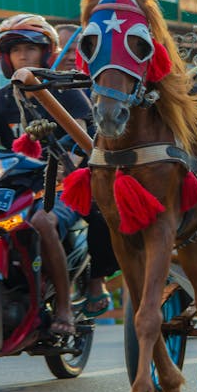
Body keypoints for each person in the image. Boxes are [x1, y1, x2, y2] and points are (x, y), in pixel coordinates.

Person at [0, 14, 93, 335]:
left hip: (64, 187)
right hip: (14, 189)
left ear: (47, 53)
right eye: (15, 49)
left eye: (31, 49)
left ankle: (63, 308)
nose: (23, 55)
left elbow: (82, 137)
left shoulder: (66, 91)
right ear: (5, 58)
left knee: (43, 221)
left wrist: (68, 163)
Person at [56, 22, 120, 318]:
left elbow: (81, 136)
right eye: (64, 48)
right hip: (43, 173)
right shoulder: (44, 84)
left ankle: (96, 280)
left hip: (95, 164)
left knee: (102, 210)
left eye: (77, 48)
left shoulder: (104, 79)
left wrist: (68, 166)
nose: (70, 55)